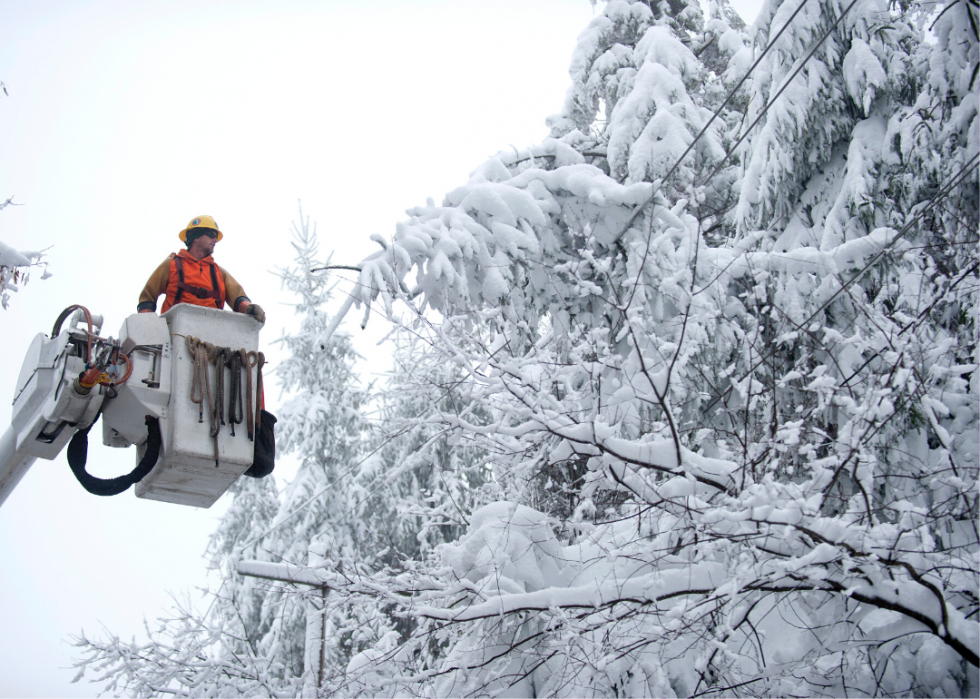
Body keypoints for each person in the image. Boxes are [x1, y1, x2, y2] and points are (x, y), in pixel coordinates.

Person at [137, 215, 265, 323]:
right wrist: (147, 326)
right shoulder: (172, 264)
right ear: (196, 237)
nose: (215, 239)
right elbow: (148, 297)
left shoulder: (219, 273)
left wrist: (250, 308)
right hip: (174, 333)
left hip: (211, 339)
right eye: (211, 234)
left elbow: (238, 297)